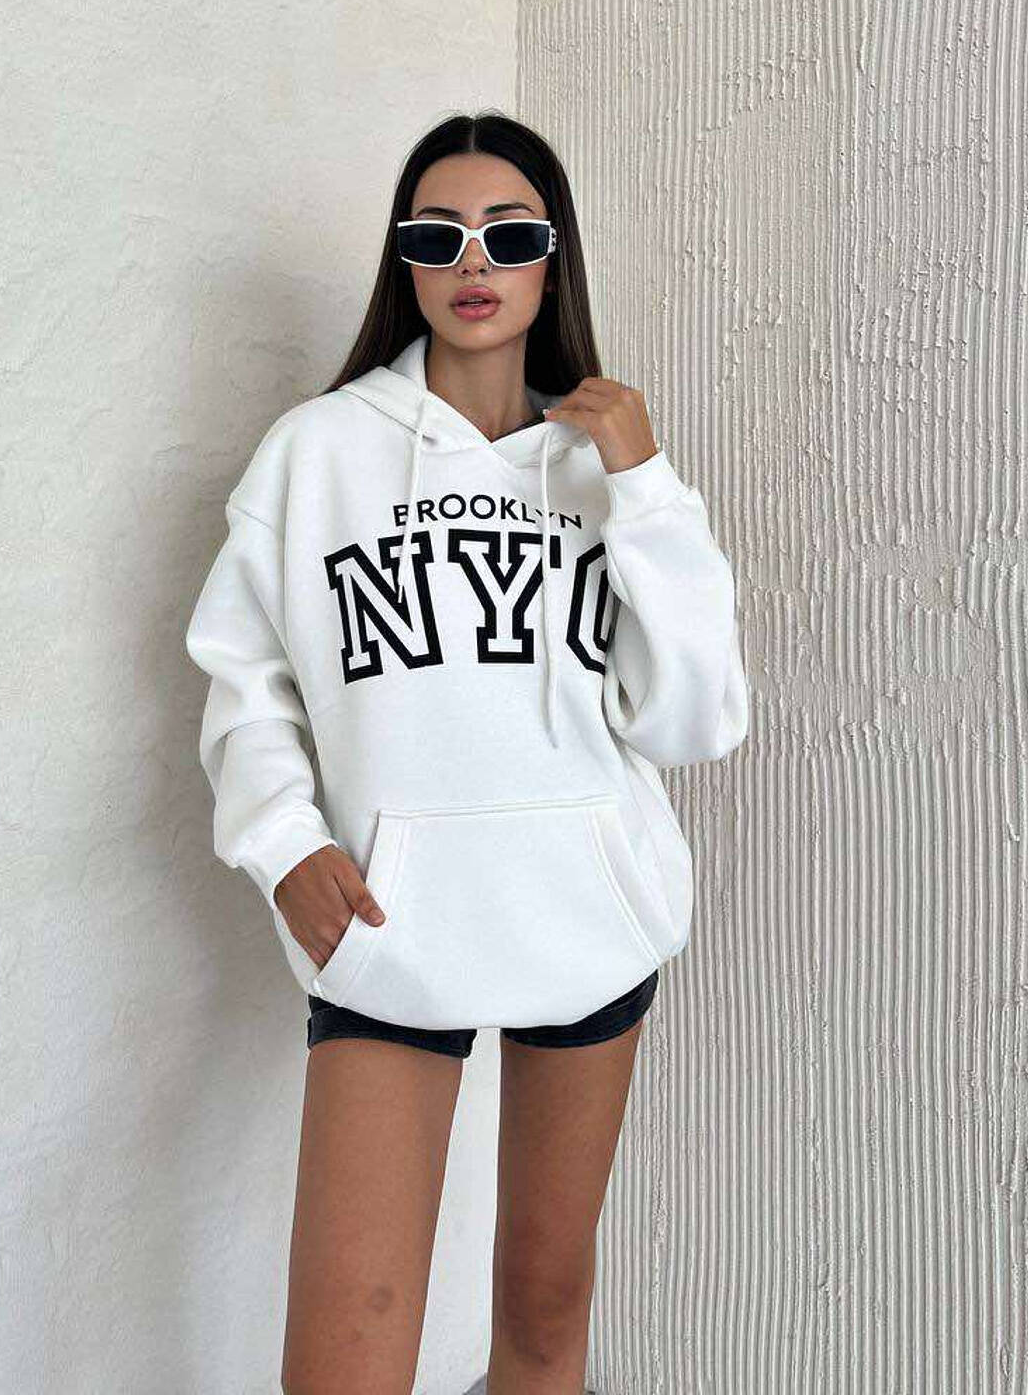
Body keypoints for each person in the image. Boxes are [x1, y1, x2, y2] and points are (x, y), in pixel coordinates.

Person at [185, 110, 749, 1394]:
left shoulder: (607, 469)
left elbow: (695, 721)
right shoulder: (317, 453)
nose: (474, 261)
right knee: (345, 1360)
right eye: (438, 236)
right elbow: (244, 675)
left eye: (511, 234)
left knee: (544, 1314)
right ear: (406, 263)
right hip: (390, 927)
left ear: (555, 259)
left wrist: (645, 487)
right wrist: (285, 845)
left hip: (587, 917)